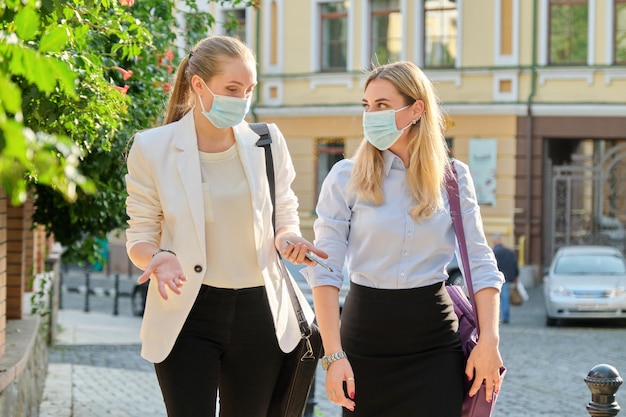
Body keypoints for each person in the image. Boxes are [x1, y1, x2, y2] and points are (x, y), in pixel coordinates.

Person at [124, 35, 326, 417]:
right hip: (186, 313)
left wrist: (289, 238)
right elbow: (140, 235)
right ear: (198, 85)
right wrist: (160, 256)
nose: (242, 99)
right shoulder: (152, 148)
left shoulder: (267, 142)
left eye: (248, 89)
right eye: (232, 89)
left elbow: (283, 211)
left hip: (259, 311)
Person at [298, 61, 505, 417]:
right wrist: (333, 357)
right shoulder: (344, 177)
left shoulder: (453, 178)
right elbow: (325, 272)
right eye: (366, 105)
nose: (370, 115)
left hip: (434, 343)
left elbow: (482, 263)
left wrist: (490, 340)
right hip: (365, 338)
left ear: (416, 109)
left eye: (382, 105)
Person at [492, 234, 520, 324]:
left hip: (496, 278)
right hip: (507, 278)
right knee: (505, 298)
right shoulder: (509, 251)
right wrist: (516, 275)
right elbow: (514, 263)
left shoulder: (494, 252)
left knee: (495, 298)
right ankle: (505, 317)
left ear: (495, 241)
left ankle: (496, 317)